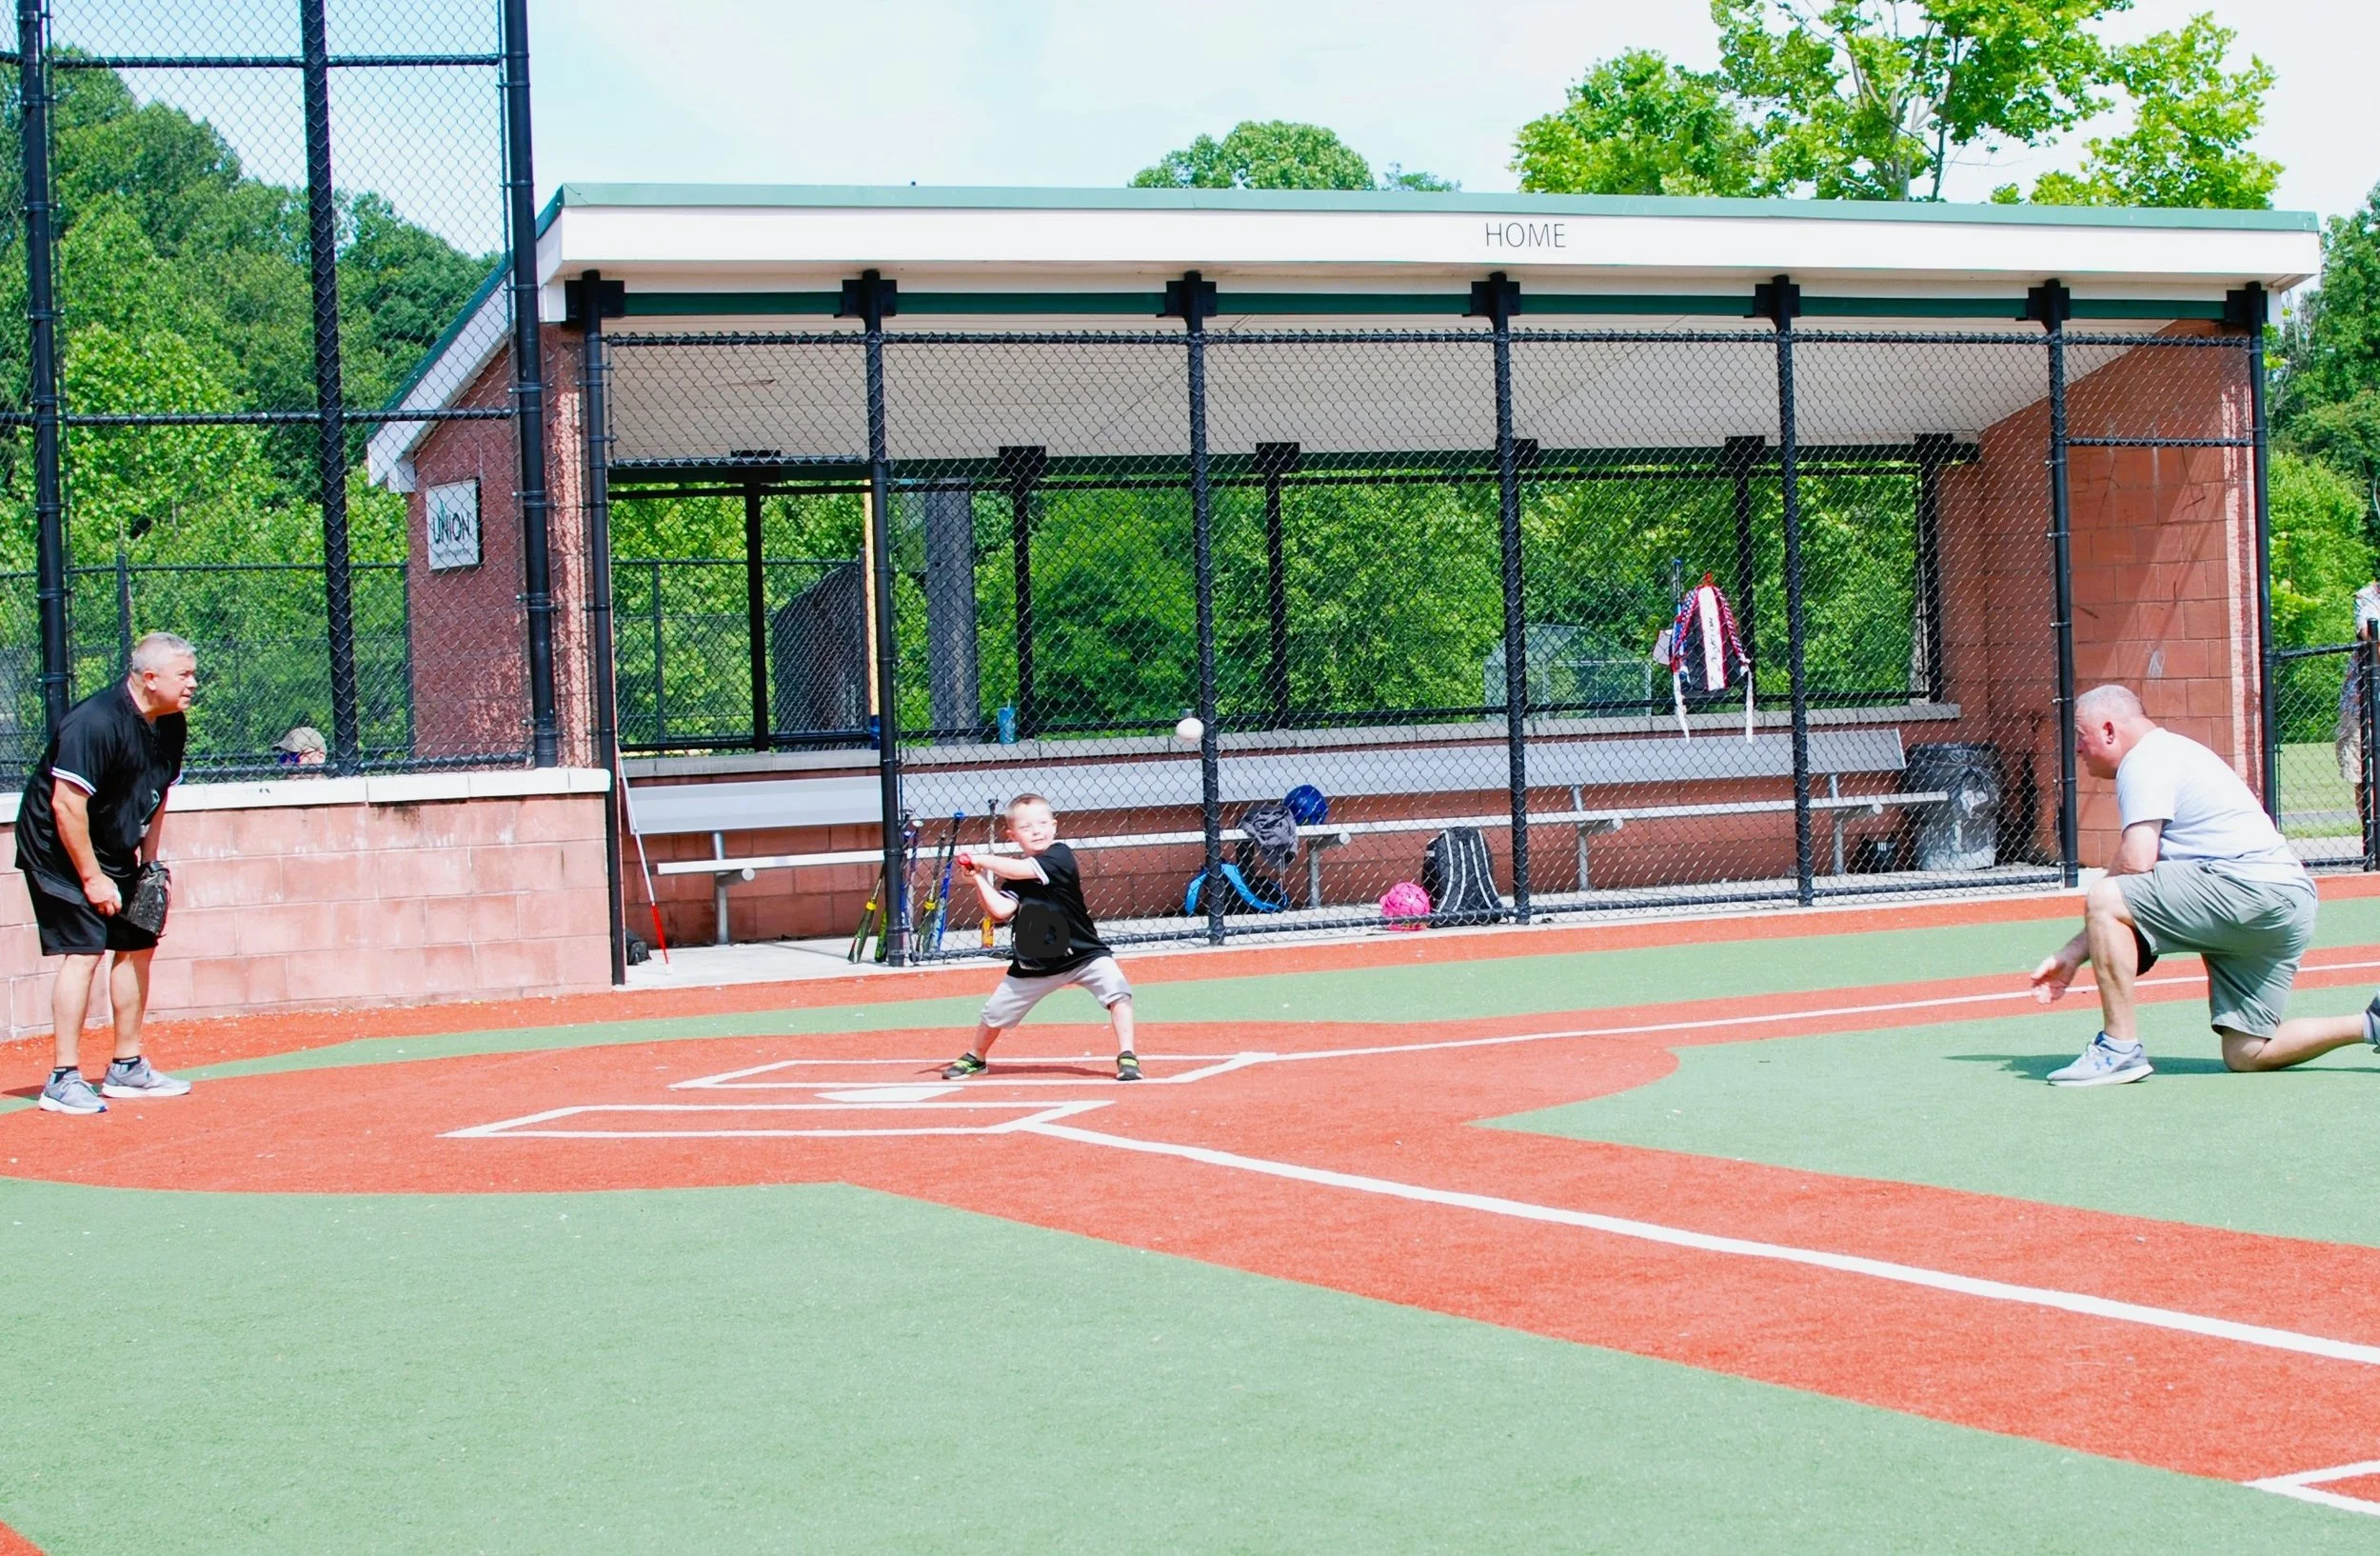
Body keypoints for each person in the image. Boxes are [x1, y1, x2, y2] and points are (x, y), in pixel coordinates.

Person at [2030, 683, 2373, 1086]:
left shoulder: (2144, 758)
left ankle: (2119, 1049)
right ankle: (2371, 1024)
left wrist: (2075, 948)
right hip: (2287, 904)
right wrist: (2078, 952)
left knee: (2105, 894)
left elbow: (2137, 860)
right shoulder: (2174, 751)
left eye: (2081, 737)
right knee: (2247, 1053)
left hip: (2248, 890)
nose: (2078, 750)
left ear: (2109, 730)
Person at [15, 632, 198, 1114]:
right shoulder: (93, 723)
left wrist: (149, 864)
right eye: (184, 675)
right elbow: (66, 805)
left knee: (137, 944)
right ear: (149, 677)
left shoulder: (170, 723)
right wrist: (93, 878)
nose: (193, 684)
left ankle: (127, 1066)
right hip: (57, 848)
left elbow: (158, 796)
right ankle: (62, 1077)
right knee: (85, 948)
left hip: (115, 844)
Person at [940, 793, 1140, 1082]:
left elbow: (1022, 869)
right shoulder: (1014, 880)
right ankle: (976, 1057)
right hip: (1037, 960)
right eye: (1027, 827)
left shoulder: (1060, 855)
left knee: (1118, 991)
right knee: (994, 1014)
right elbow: (999, 911)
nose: (1037, 830)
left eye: (1043, 823)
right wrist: (978, 880)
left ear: (1054, 826)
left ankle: (1127, 1055)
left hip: (1084, 953)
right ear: (1012, 835)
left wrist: (981, 859)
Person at [2336, 575, 2380, 814]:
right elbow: (2370, 635)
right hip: (2362, 704)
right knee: (2364, 773)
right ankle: (2372, 838)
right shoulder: (2368, 596)